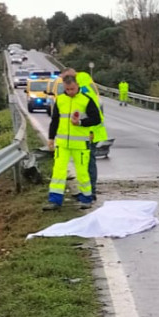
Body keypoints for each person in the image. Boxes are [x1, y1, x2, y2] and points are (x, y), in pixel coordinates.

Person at [42, 69, 102, 211]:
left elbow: (96, 119)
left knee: (82, 172)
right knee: (58, 172)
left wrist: (81, 123)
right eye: (67, 89)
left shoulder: (86, 100)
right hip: (62, 144)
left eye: (72, 89)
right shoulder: (60, 100)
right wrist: (51, 138)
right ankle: (55, 201)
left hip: (81, 144)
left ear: (77, 86)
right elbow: (55, 120)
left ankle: (86, 198)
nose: (70, 92)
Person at [76, 71, 107, 201]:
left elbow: (88, 116)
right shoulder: (90, 91)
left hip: (90, 133)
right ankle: (86, 190)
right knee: (86, 162)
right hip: (91, 132)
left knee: (88, 163)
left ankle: (90, 191)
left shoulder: (84, 94)